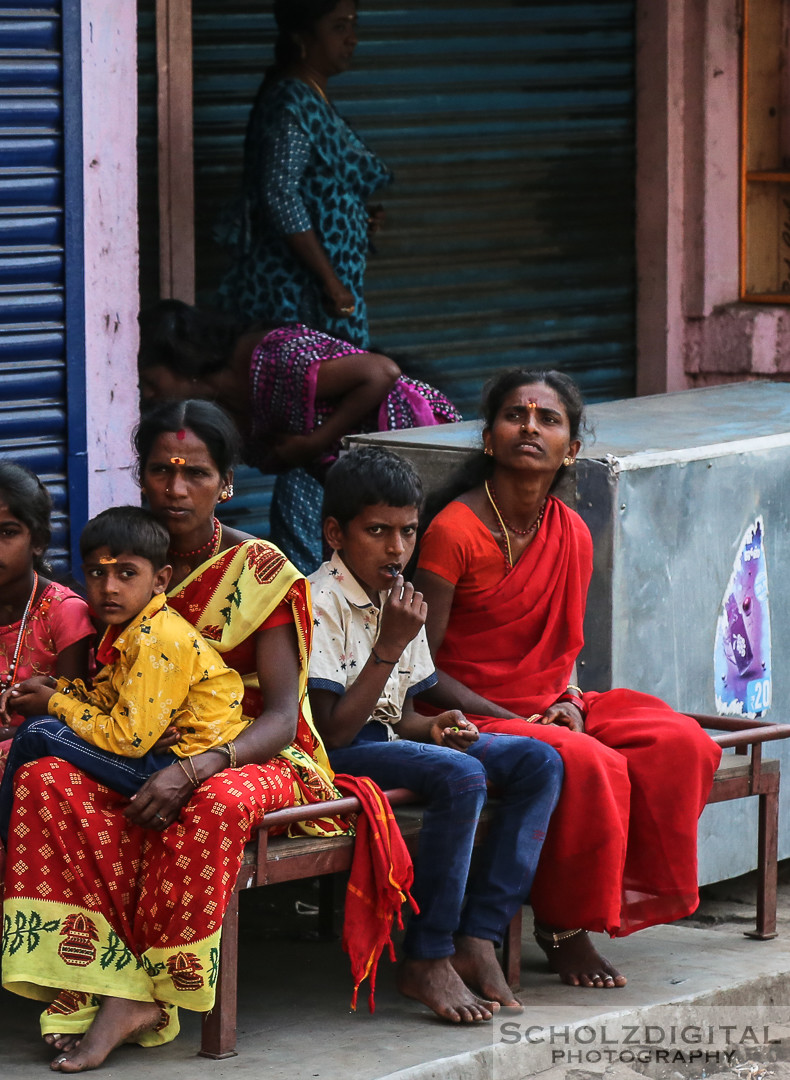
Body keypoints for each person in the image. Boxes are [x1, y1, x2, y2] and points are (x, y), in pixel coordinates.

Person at [1, 399, 341, 1073]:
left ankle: (153, 994)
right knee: (45, 778)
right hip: (147, 747)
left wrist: (195, 768)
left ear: (227, 482)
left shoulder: (257, 570)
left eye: (196, 472)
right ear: (143, 477)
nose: (176, 488)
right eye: (161, 470)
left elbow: (279, 716)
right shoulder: (121, 560)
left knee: (211, 803)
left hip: (253, 752)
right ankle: (94, 976)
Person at [413, 370, 723, 990]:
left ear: (571, 449)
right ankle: (562, 926)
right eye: (515, 415)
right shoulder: (453, 530)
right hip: (469, 708)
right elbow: (417, 664)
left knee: (680, 742)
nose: (530, 426)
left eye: (548, 419)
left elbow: (566, 652)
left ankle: (624, 899)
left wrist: (570, 701)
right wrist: (518, 714)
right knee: (591, 764)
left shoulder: (572, 530)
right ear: (489, 440)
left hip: (550, 700)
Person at [307, 447, 562, 1023]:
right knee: (463, 777)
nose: (396, 549)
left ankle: (479, 934)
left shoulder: (398, 599)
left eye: (407, 532)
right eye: (377, 531)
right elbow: (336, 732)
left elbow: (401, 716)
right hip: (338, 755)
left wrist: (436, 727)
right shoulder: (319, 599)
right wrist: (390, 644)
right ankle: (427, 954)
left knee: (537, 762)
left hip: (386, 745)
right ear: (335, 533)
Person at [139, 299, 458, 571]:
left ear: (181, 362)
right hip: (355, 476)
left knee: (415, 561)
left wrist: (314, 442)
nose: (147, 394)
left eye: (150, 381)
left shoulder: (271, 357)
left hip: (412, 436)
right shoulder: (220, 410)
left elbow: (381, 373)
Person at [0, 505, 247, 835]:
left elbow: (129, 739)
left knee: (37, 732)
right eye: (97, 574)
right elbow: (108, 701)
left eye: (126, 574)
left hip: (178, 765)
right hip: (158, 752)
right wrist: (61, 690)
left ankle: (3, 844)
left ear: (160, 580)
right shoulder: (127, 630)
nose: (109, 587)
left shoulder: (155, 637)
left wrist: (53, 704)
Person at [0, 461, 94, 951]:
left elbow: (69, 714)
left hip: (52, 743)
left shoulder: (64, 610)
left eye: (6, 532)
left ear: (36, 541)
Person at [217, 0, 388, 349]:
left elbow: (313, 185)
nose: (352, 39)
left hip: (320, 288)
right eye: (339, 27)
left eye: (353, 26)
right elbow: (280, 195)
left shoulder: (312, 95)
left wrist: (356, 215)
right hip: (297, 294)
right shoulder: (292, 102)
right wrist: (330, 281)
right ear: (302, 38)